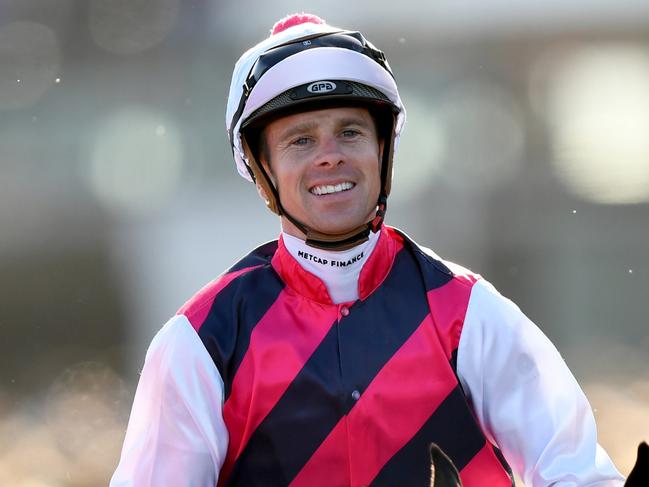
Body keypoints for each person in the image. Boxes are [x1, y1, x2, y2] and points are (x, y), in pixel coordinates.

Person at [110, 13, 626, 487]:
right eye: (301, 140)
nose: (330, 157)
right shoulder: (202, 340)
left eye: (350, 132)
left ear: (384, 150)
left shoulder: (469, 313)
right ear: (261, 168)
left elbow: (577, 473)